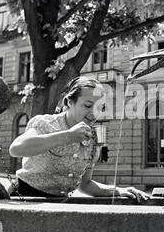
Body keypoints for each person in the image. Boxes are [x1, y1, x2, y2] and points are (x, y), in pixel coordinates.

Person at [9, 76, 149, 202]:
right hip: (24, 197)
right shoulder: (45, 123)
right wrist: (67, 136)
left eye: (100, 107)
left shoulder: (92, 139)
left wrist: (119, 190)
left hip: (60, 204)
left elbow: (85, 185)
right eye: (88, 105)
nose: (94, 113)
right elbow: (16, 148)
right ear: (70, 102)